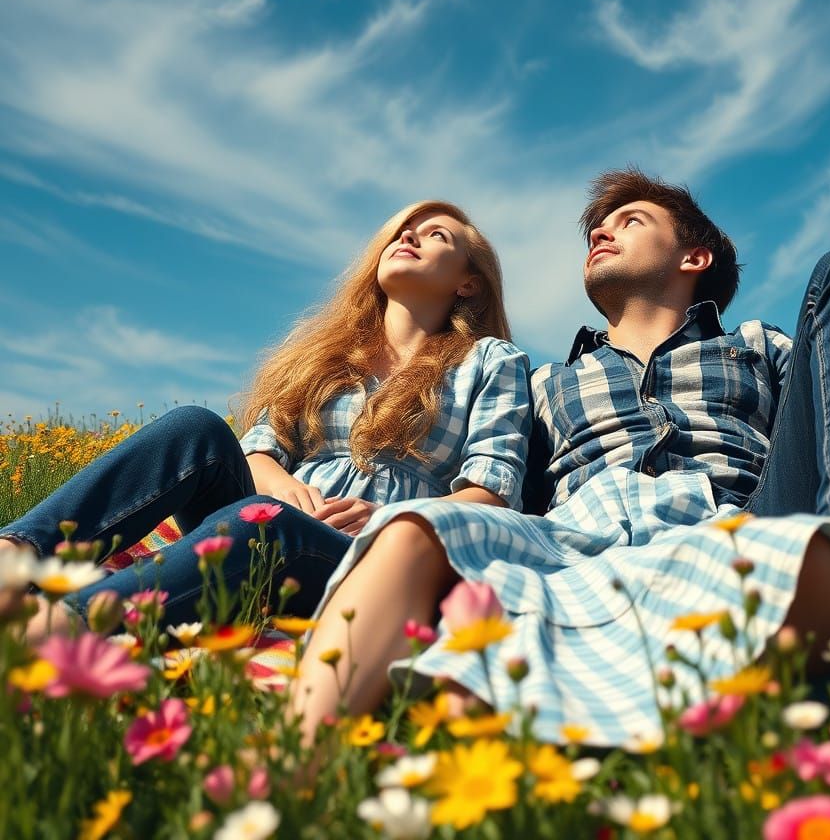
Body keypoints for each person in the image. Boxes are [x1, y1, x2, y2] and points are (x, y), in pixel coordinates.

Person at [290, 167, 830, 747]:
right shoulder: (542, 383)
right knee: (415, 529)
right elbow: (493, 484)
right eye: (598, 226)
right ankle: (296, 774)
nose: (600, 231)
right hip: (581, 536)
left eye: (631, 221)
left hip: (742, 517)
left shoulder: (759, 346)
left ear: (694, 257)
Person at [0, 202, 531, 637]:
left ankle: (56, 628)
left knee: (269, 523)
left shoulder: (491, 360)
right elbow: (259, 448)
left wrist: (392, 519)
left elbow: (492, 492)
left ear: (469, 283)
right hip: (269, 515)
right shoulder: (328, 354)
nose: (408, 236)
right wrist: (279, 485)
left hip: (367, 557)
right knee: (195, 427)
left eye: (436, 235)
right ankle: (14, 558)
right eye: (400, 230)